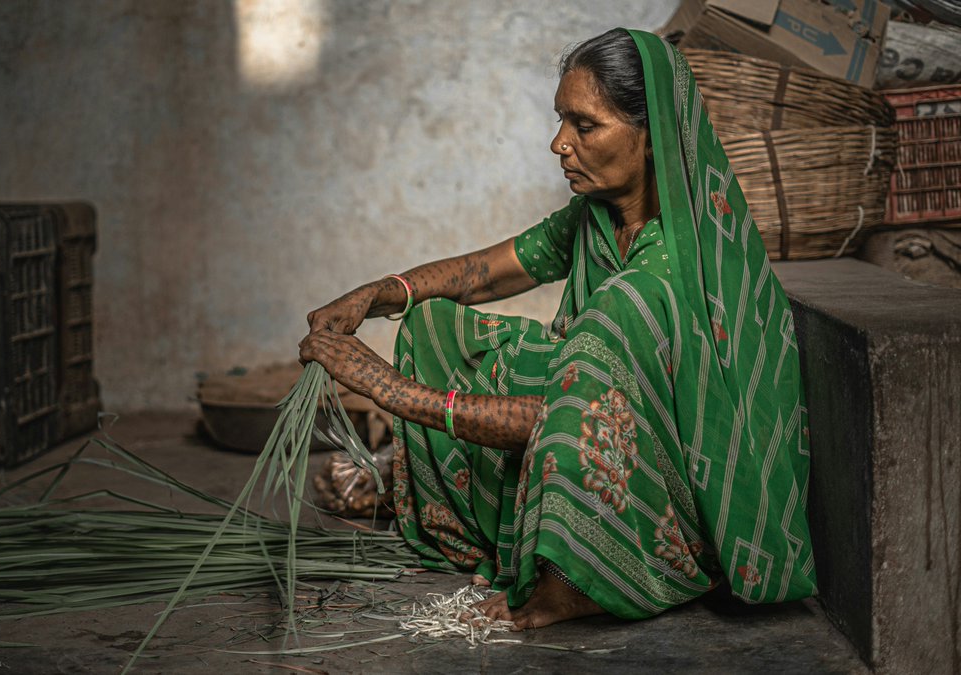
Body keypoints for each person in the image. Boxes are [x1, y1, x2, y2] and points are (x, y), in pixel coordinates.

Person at [298, 27, 816, 630]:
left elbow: (561, 419)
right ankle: (478, 529)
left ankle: (574, 583)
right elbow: (484, 275)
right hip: (596, 407)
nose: (558, 144)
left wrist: (387, 389)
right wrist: (381, 292)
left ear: (651, 140)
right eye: (560, 121)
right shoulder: (598, 217)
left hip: (669, 485)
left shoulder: (659, 277)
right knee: (435, 324)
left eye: (585, 126)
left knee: (584, 353)